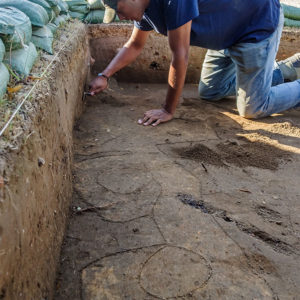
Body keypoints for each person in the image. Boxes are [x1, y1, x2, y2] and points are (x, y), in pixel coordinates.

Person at [89, 0, 300, 127]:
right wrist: (104, 75)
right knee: (210, 91)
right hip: (225, 36)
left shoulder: (173, 1)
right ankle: (287, 69)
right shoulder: (144, 10)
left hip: (254, 27)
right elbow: (134, 45)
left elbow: (180, 57)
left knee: (253, 108)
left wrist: (167, 110)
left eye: (118, 8)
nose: (119, 15)